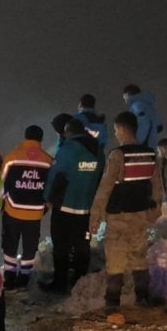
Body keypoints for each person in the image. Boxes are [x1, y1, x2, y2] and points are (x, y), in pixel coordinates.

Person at [89, 111, 164, 308]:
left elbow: (105, 189)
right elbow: (157, 185)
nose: (115, 134)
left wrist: (94, 217)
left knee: (115, 258)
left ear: (122, 129)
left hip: (119, 216)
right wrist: (156, 209)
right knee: (139, 256)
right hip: (140, 214)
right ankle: (143, 296)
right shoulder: (150, 154)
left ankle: (112, 301)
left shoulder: (117, 155)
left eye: (115, 130)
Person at [42, 119, 104, 292]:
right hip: (86, 208)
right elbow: (100, 178)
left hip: (65, 207)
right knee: (82, 245)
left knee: (61, 246)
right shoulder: (99, 150)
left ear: (69, 132)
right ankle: (80, 281)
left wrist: (48, 198)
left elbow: (56, 175)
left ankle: (60, 282)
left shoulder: (68, 149)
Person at [0, 126, 53, 289]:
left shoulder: (12, 157)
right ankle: (24, 279)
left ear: (25, 137)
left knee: (10, 245)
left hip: (12, 211)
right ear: (40, 140)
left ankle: (9, 278)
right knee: (30, 247)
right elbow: (50, 188)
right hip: (35, 213)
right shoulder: (48, 161)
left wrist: (2, 204)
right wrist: (45, 207)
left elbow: (2, 184)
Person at [123, 84, 163, 150]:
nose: (125, 102)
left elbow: (144, 123)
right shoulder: (148, 106)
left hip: (142, 146)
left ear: (128, 96)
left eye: (125, 99)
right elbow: (159, 126)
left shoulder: (136, 106)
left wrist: (137, 142)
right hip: (151, 144)